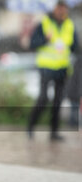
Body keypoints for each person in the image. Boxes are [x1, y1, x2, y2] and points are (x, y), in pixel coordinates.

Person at [27, 0, 79, 141]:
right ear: (55, 9)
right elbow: (32, 43)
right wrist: (45, 39)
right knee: (43, 98)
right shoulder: (44, 23)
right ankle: (30, 127)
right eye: (59, 7)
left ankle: (53, 132)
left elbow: (75, 46)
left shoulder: (69, 25)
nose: (62, 11)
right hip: (46, 67)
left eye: (64, 8)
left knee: (58, 101)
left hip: (62, 68)